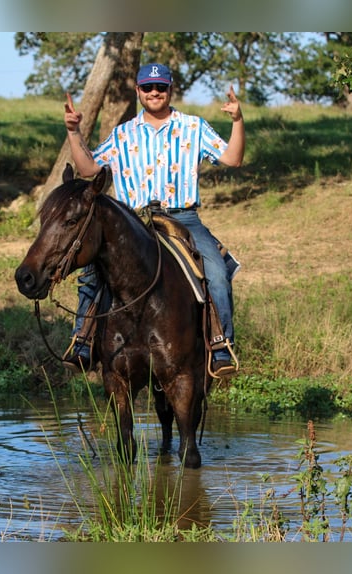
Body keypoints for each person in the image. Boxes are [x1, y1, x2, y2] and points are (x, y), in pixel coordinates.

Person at [62, 62, 245, 378]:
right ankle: (83, 341)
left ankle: (220, 345)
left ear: (170, 89)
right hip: (133, 221)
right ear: (138, 91)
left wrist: (238, 121)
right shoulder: (123, 133)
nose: (154, 92)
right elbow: (90, 169)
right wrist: (74, 132)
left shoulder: (193, 127)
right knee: (92, 269)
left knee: (215, 271)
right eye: (148, 87)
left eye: (160, 87)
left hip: (182, 218)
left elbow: (232, 158)